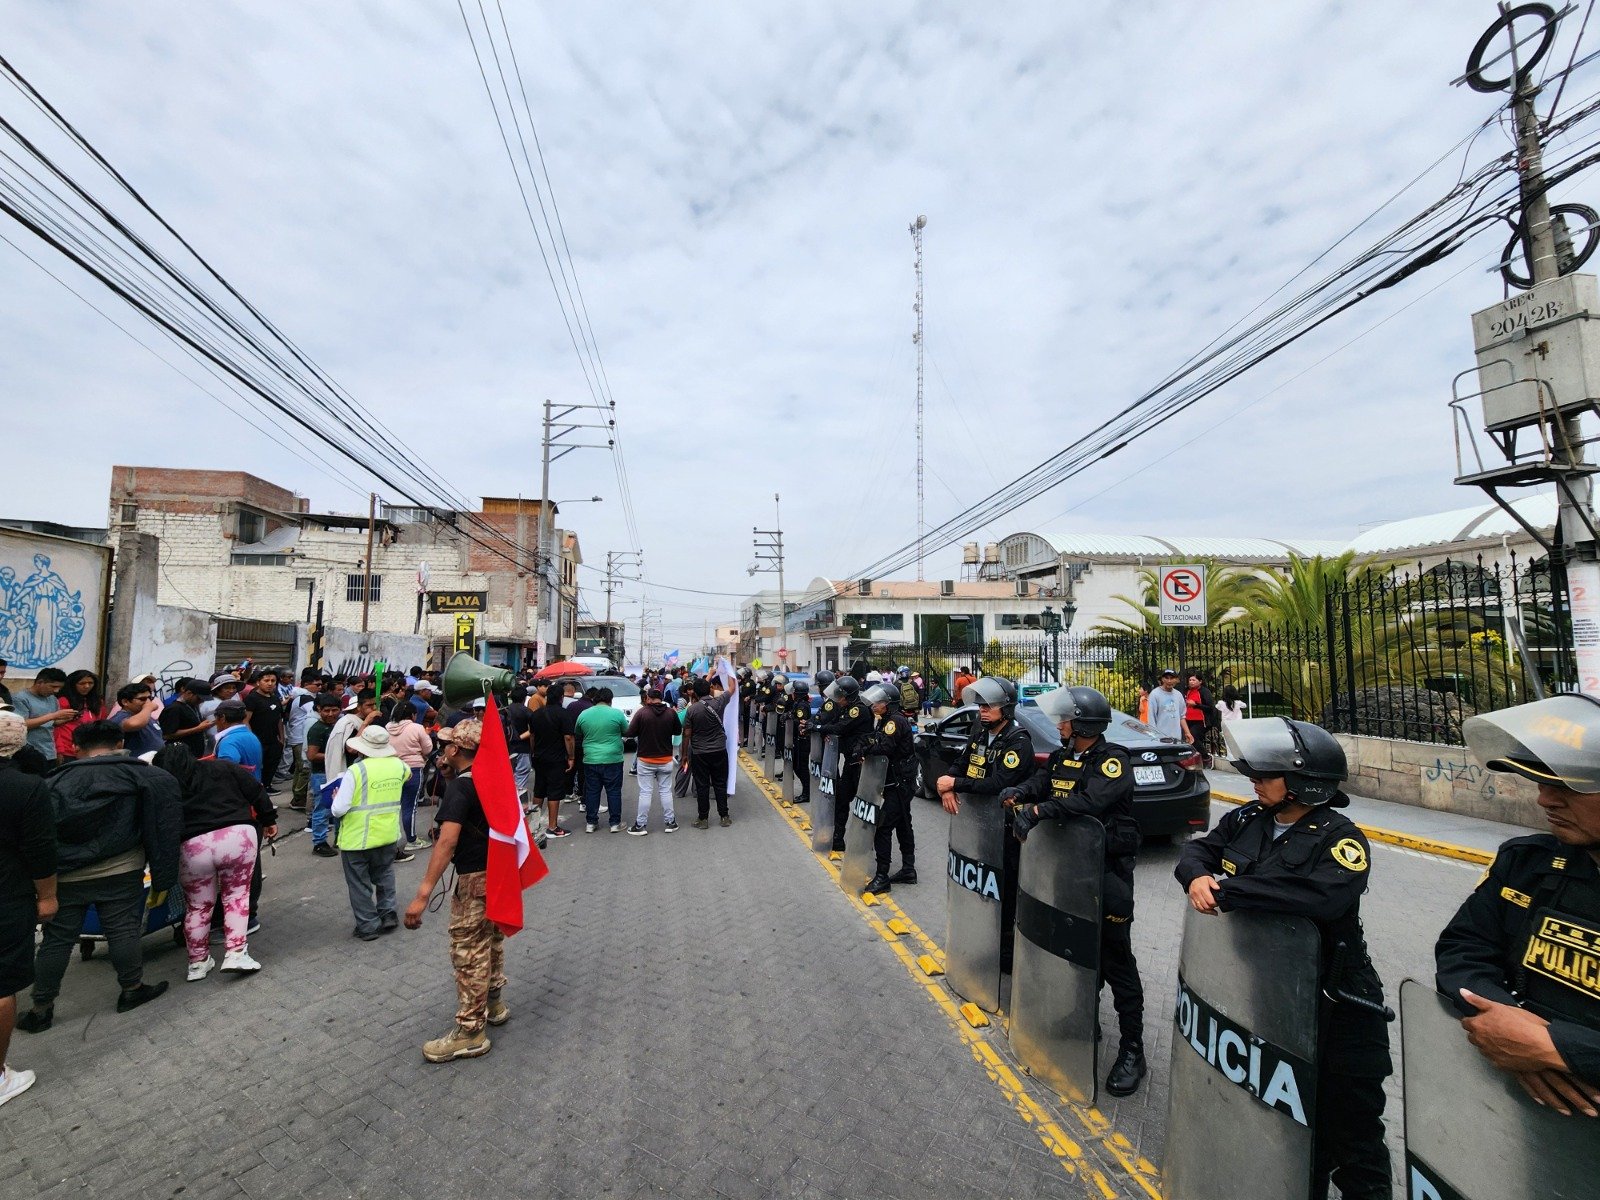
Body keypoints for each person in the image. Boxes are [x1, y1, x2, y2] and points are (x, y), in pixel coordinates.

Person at [1175, 717, 1391, 1200]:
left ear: (1302, 784)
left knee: (1352, 1135)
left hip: (1337, 1006)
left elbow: (1316, 897)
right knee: (1285, 1118)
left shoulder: (1342, 839)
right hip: (1269, 994)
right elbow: (1198, 853)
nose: (1254, 780)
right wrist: (1195, 877)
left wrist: (1227, 889)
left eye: (1266, 774)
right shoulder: (1247, 819)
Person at [1434, 694, 1600, 1117]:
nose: (1546, 799)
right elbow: (1462, 951)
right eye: (1542, 782)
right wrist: (1508, 1028)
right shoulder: (1526, 863)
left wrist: (1559, 1049)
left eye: (1567, 784)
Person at [1004, 685, 1147, 1096]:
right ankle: (1083, 1017)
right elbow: (1043, 780)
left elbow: (1090, 801)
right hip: (1070, 873)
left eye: (1065, 719)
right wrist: (1021, 793)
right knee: (1077, 949)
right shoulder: (1066, 756)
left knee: (1115, 958)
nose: (1059, 724)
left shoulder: (1112, 760)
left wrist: (1039, 811)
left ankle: (1133, 1049)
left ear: (1083, 724)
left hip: (1108, 877)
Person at [16, 720, 181, 1033]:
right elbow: (165, 827)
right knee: (123, 929)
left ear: (76, 747)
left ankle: (41, 1009)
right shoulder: (143, 774)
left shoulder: (51, 781)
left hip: (64, 877)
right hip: (122, 869)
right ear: (120, 742)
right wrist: (163, 876)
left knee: (56, 940)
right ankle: (131, 989)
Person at [403, 718, 507, 1062]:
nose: (442, 750)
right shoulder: (493, 775)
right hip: (499, 874)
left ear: (455, 750)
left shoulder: (463, 786)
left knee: (468, 953)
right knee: (490, 942)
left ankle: (470, 1031)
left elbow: (446, 842)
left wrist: (422, 894)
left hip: (474, 878)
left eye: (447, 744)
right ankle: (494, 1003)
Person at [935, 675, 1036, 968]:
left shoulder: (1018, 742)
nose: (982, 710)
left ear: (1005, 708)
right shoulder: (980, 733)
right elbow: (961, 762)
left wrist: (954, 782)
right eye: (980, 705)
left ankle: (1005, 954)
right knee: (980, 887)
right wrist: (950, 786)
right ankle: (981, 941)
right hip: (979, 826)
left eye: (989, 706)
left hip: (1005, 829)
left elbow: (998, 783)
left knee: (1003, 892)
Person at [152, 745, 274, 980]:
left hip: (192, 847)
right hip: (237, 836)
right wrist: (269, 819)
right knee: (236, 896)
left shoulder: (164, 785)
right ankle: (236, 952)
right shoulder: (222, 767)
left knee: (197, 906)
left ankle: (197, 963)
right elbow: (256, 791)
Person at [0, 711, 55, 1107]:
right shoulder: (25, 788)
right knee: (1, 988)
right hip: (7, 896)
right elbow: (39, 851)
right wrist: (48, 896)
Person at [330, 725, 406, 940]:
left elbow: (338, 809)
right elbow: (406, 779)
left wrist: (336, 796)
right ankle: (388, 913)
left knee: (359, 883)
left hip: (358, 837)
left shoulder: (357, 770)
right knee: (385, 874)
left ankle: (368, 926)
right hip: (388, 833)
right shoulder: (399, 766)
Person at [859, 682, 916, 895]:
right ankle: (908, 870)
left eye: (878, 702)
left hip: (899, 782)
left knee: (883, 826)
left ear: (888, 704)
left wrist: (865, 748)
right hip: (897, 781)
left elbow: (885, 747)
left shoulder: (894, 721)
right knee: (903, 823)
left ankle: (882, 876)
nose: (874, 705)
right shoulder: (885, 720)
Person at [817, 677, 873, 855]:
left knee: (864, 805)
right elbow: (835, 725)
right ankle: (838, 839)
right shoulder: (847, 708)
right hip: (851, 760)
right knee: (842, 800)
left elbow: (841, 728)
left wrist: (818, 727)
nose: (837, 698)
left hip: (861, 763)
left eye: (839, 695)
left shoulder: (858, 710)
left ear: (847, 696)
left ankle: (865, 842)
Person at [681, 677, 734, 829]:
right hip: (719, 750)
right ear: (710, 689)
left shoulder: (692, 710)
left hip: (699, 753)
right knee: (720, 783)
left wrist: (685, 755)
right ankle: (724, 816)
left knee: (702, 785)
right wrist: (728, 669)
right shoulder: (719, 702)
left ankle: (703, 819)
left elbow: (687, 735)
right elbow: (732, 687)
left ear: (695, 694)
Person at [626, 688, 679, 835]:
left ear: (648, 699)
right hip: (666, 759)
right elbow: (678, 731)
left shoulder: (642, 713)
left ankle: (640, 825)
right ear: (661, 698)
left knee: (645, 792)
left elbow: (630, 732)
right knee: (665, 791)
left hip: (645, 759)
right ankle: (670, 822)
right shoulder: (670, 713)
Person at [576, 687, 629, 833]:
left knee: (592, 791)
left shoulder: (584, 714)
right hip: (613, 758)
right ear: (610, 700)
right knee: (613, 791)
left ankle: (591, 823)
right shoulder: (617, 714)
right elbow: (626, 731)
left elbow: (578, 732)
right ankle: (614, 823)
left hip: (591, 758)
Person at [386, 703, 433, 862]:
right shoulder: (417, 728)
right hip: (413, 769)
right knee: (409, 806)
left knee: (392, 806)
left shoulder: (387, 727)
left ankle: (390, 841)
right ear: (412, 714)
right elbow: (427, 748)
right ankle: (412, 840)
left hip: (392, 768)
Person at [527, 685, 573, 839]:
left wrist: (533, 752)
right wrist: (571, 756)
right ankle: (552, 827)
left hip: (539, 757)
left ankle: (533, 825)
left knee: (539, 790)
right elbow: (568, 737)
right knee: (554, 791)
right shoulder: (563, 714)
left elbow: (532, 736)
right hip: (556, 758)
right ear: (561, 697)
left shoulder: (536, 714)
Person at [305, 692, 345, 857]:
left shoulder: (340, 725)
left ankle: (339, 837)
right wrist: (336, 754)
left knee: (340, 807)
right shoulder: (317, 729)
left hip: (339, 772)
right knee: (322, 809)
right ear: (319, 710)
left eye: (334, 710)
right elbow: (312, 755)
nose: (330, 714)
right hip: (321, 774)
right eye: (326, 710)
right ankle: (319, 842)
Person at [12, 668, 73, 765]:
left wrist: (65, 719)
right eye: (53, 686)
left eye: (59, 688)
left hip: (49, 751)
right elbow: (21, 724)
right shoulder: (20, 698)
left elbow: (50, 724)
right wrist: (53, 716)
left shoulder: (52, 699)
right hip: (28, 753)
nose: (56, 690)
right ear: (40, 682)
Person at [284, 669, 322, 812]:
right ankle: (299, 799)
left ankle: (297, 799)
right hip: (300, 738)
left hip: (298, 737)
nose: (319, 687)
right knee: (305, 769)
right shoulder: (306, 699)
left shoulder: (300, 697)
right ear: (306, 684)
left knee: (301, 770)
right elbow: (317, 715)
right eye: (316, 685)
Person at [243, 669, 286, 795]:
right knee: (256, 766)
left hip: (273, 740)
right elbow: (246, 720)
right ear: (258, 682)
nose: (270, 683)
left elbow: (279, 719)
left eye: (273, 681)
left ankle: (267, 786)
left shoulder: (275, 698)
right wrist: (252, 740)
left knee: (271, 764)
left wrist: (282, 738)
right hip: (257, 740)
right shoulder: (252, 699)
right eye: (266, 680)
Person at [52, 669, 104, 762]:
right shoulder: (63, 700)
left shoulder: (97, 701)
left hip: (90, 749)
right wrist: (59, 750)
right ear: (73, 684)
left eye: (90, 683)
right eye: (82, 683)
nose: (87, 686)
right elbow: (56, 727)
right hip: (67, 749)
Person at [158, 678, 213, 758]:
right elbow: (167, 735)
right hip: (180, 756)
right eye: (199, 698)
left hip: (195, 754)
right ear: (189, 693)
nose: (201, 701)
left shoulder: (193, 706)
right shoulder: (174, 709)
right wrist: (197, 728)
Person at [212, 698, 263, 779]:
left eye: (216, 718)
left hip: (237, 790)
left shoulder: (228, 742)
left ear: (222, 718)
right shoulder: (251, 735)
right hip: (255, 786)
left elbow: (227, 770)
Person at [1145, 669, 1191, 744]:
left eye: (1172, 678)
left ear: (1176, 680)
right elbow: (1151, 717)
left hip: (1176, 737)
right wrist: (1154, 736)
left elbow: (1182, 716)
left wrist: (1187, 732)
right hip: (1160, 737)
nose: (1169, 681)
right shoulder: (1155, 694)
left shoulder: (1178, 695)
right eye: (1166, 678)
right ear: (1162, 679)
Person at [1183, 671, 1215, 766]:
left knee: (1193, 736)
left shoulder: (1204, 691)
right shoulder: (1187, 691)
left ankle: (1206, 757)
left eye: (1194, 680)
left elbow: (1210, 707)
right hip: (1187, 720)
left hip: (1201, 721)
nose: (1191, 682)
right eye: (1190, 680)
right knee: (1189, 739)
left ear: (1200, 681)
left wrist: (1196, 705)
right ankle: (1197, 759)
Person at [790, 680, 813, 805]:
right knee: (797, 766)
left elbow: (801, 721)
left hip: (803, 740)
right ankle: (807, 791)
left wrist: (790, 717)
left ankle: (807, 793)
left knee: (801, 767)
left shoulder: (802, 706)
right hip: (798, 739)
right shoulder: (798, 703)